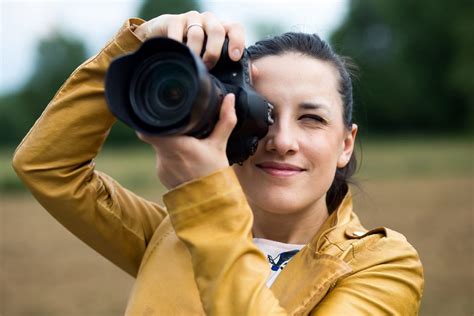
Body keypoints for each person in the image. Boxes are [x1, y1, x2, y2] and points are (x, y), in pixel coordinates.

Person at [12, 11, 424, 315]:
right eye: (262, 114)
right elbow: (48, 165)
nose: (281, 141)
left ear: (345, 144)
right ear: (227, 120)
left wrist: (206, 198)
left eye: (311, 119)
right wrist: (138, 45)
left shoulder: (383, 264)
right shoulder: (172, 234)